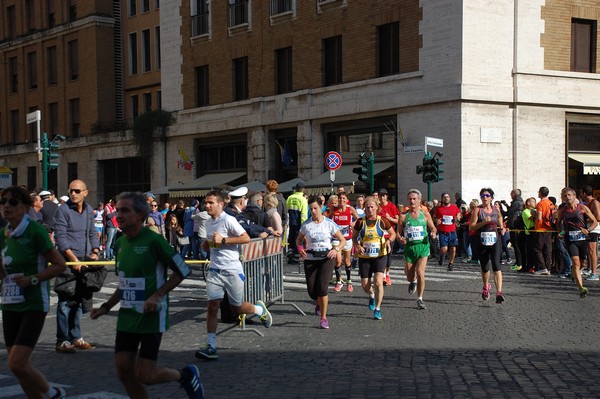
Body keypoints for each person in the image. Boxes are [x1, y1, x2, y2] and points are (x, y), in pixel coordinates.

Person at [90, 192, 204, 399]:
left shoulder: (154, 241)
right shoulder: (120, 244)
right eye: (117, 210)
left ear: (141, 214)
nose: (119, 215)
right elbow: (124, 283)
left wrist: (158, 295)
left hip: (152, 315)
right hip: (127, 316)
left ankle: (184, 376)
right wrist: (106, 306)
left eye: (125, 210)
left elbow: (182, 271)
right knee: (124, 371)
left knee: (146, 375)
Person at [0, 186, 68, 399]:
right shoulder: (3, 233)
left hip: (33, 303)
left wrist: (32, 279)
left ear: (26, 207)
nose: (6, 206)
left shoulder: (35, 231)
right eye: (3, 202)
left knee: (17, 362)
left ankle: (52, 393)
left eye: (13, 202)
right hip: (10, 302)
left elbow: (59, 264)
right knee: (17, 366)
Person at [196, 191, 273, 360]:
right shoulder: (208, 222)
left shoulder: (229, 220)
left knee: (236, 308)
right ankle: (211, 346)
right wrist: (208, 245)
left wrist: (223, 240)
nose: (207, 206)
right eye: (205, 203)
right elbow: (213, 242)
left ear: (220, 204)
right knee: (212, 307)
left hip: (232, 270)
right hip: (215, 270)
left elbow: (245, 238)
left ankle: (259, 310)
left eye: (210, 203)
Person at [53, 179, 101, 353]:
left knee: (80, 300)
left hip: (85, 261)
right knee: (65, 300)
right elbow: (61, 237)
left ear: (85, 193)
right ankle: (62, 340)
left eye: (77, 191)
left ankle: (76, 337)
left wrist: (95, 251)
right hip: (69, 260)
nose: (73, 193)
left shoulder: (88, 210)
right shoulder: (63, 210)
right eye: (71, 190)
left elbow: (92, 232)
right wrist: (74, 260)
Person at [296, 196, 346, 329]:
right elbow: (298, 240)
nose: (313, 211)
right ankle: (317, 301)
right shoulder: (306, 225)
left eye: (315, 208)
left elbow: (343, 241)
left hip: (326, 258)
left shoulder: (329, 223)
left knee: (323, 289)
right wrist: (300, 249)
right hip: (311, 259)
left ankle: (323, 318)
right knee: (313, 292)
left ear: (321, 208)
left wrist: (336, 249)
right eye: (310, 208)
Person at [353, 196, 395, 320]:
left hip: (380, 256)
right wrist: (357, 246)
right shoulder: (360, 222)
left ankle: (377, 308)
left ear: (377, 207)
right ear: (364, 209)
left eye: (372, 207)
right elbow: (354, 237)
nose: (370, 209)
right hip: (365, 257)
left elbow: (392, 234)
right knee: (365, 284)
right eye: (367, 207)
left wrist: (388, 242)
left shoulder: (383, 221)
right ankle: (371, 295)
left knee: (378, 282)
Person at [397, 189, 437, 310]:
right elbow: (398, 233)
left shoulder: (425, 215)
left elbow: (433, 228)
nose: (412, 201)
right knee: (410, 276)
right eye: (410, 199)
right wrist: (401, 239)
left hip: (423, 247)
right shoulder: (403, 216)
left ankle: (420, 298)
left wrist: (433, 234)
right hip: (409, 248)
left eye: (415, 199)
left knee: (420, 272)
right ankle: (412, 281)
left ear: (419, 200)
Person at [555, 188, 598, 298]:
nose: (567, 197)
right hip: (570, 239)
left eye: (569, 195)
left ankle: (575, 273)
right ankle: (581, 288)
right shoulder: (563, 210)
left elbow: (595, 221)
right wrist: (560, 232)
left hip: (583, 239)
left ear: (574, 196)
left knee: (582, 264)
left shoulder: (582, 207)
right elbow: (558, 222)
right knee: (575, 262)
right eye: (565, 195)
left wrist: (588, 230)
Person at [469, 188, 506, 303]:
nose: (485, 197)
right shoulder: (477, 210)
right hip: (482, 241)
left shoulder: (496, 209)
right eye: (482, 195)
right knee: (485, 268)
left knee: (496, 266)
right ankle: (486, 286)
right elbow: (471, 227)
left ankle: (499, 293)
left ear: (491, 197)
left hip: (495, 241)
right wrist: (484, 222)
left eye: (487, 195)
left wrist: (502, 227)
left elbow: (499, 218)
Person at [331, 192, 360, 292]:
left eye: (344, 198)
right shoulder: (333, 209)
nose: (341, 200)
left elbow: (359, 219)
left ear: (347, 200)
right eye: (340, 198)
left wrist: (353, 223)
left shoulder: (350, 209)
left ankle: (349, 281)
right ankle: (338, 281)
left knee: (347, 261)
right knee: (338, 260)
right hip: (336, 239)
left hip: (347, 239)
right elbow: (326, 218)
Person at [433, 193, 461, 271]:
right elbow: (434, 217)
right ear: (442, 199)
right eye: (444, 197)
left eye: (448, 197)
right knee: (444, 249)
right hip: (443, 232)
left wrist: (458, 217)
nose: (446, 198)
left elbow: (458, 214)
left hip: (452, 231)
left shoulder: (454, 207)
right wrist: (436, 220)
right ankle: (442, 256)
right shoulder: (438, 208)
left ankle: (450, 264)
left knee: (453, 249)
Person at [377, 189, 399, 286]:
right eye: (381, 195)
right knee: (381, 255)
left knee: (388, 254)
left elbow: (398, 221)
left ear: (387, 196)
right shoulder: (377, 207)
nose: (382, 197)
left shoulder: (392, 206)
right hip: (379, 235)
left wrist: (389, 218)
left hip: (390, 235)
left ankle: (387, 274)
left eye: (384, 195)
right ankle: (382, 275)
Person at [533, 186, 555, 275]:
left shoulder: (540, 203)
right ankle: (548, 268)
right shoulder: (550, 203)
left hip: (540, 228)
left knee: (537, 248)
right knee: (548, 249)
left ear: (540, 193)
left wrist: (533, 214)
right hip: (549, 228)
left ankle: (542, 267)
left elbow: (539, 217)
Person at [580, 185, 600, 281]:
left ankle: (594, 273)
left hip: (594, 228)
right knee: (590, 251)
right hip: (588, 228)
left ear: (584, 193)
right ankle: (591, 271)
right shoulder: (587, 203)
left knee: (592, 251)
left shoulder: (594, 202)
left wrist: (586, 219)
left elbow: (598, 217)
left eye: (580, 193)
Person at [286, 182, 308, 264]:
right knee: (298, 240)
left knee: (291, 239)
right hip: (298, 223)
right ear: (303, 189)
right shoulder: (303, 199)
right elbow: (304, 214)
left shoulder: (290, 197)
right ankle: (295, 258)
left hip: (291, 221)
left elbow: (287, 209)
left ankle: (290, 256)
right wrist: (304, 225)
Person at [503, 189, 524, 270]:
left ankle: (519, 263)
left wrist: (500, 210)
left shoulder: (515, 203)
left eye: (511, 194)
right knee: (517, 245)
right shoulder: (520, 202)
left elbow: (509, 213)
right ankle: (519, 262)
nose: (510, 195)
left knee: (516, 245)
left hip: (514, 225)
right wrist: (506, 205)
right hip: (517, 225)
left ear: (515, 194)